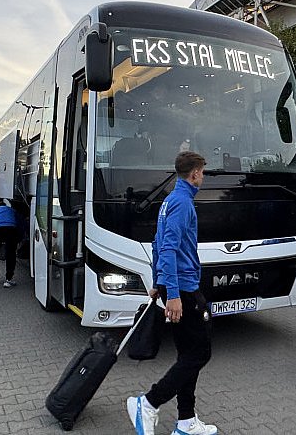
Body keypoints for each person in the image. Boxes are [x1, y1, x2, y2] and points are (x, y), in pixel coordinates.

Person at [126, 151, 216, 435]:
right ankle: (148, 403)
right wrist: (173, 294)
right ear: (195, 173)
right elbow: (168, 248)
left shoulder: (169, 201)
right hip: (186, 290)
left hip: (175, 285)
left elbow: (157, 242)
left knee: (187, 354)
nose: (203, 176)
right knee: (199, 353)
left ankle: (187, 421)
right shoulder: (182, 204)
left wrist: (159, 282)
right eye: (202, 172)